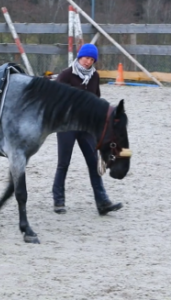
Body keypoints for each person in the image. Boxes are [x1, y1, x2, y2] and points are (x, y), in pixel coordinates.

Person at [52, 43, 123, 215]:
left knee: (93, 163)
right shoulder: (66, 75)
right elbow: (54, 97)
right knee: (64, 163)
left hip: (86, 127)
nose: (88, 62)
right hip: (67, 125)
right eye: (86, 58)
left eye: (91, 59)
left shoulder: (94, 76)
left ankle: (103, 202)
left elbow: (96, 99)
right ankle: (58, 199)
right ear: (79, 57)